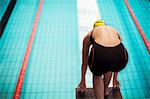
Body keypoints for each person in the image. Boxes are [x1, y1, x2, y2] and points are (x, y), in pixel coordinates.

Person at [77, 19, 128, 99]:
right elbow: (116, 52)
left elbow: (84, 62)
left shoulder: (90, 35)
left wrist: (83, 82)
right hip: (121, 55)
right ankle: (105, 90)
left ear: (94, 28)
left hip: (101, 53)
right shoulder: (114, 31)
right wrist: (115, 79)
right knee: (110, 65)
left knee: (97, 73)